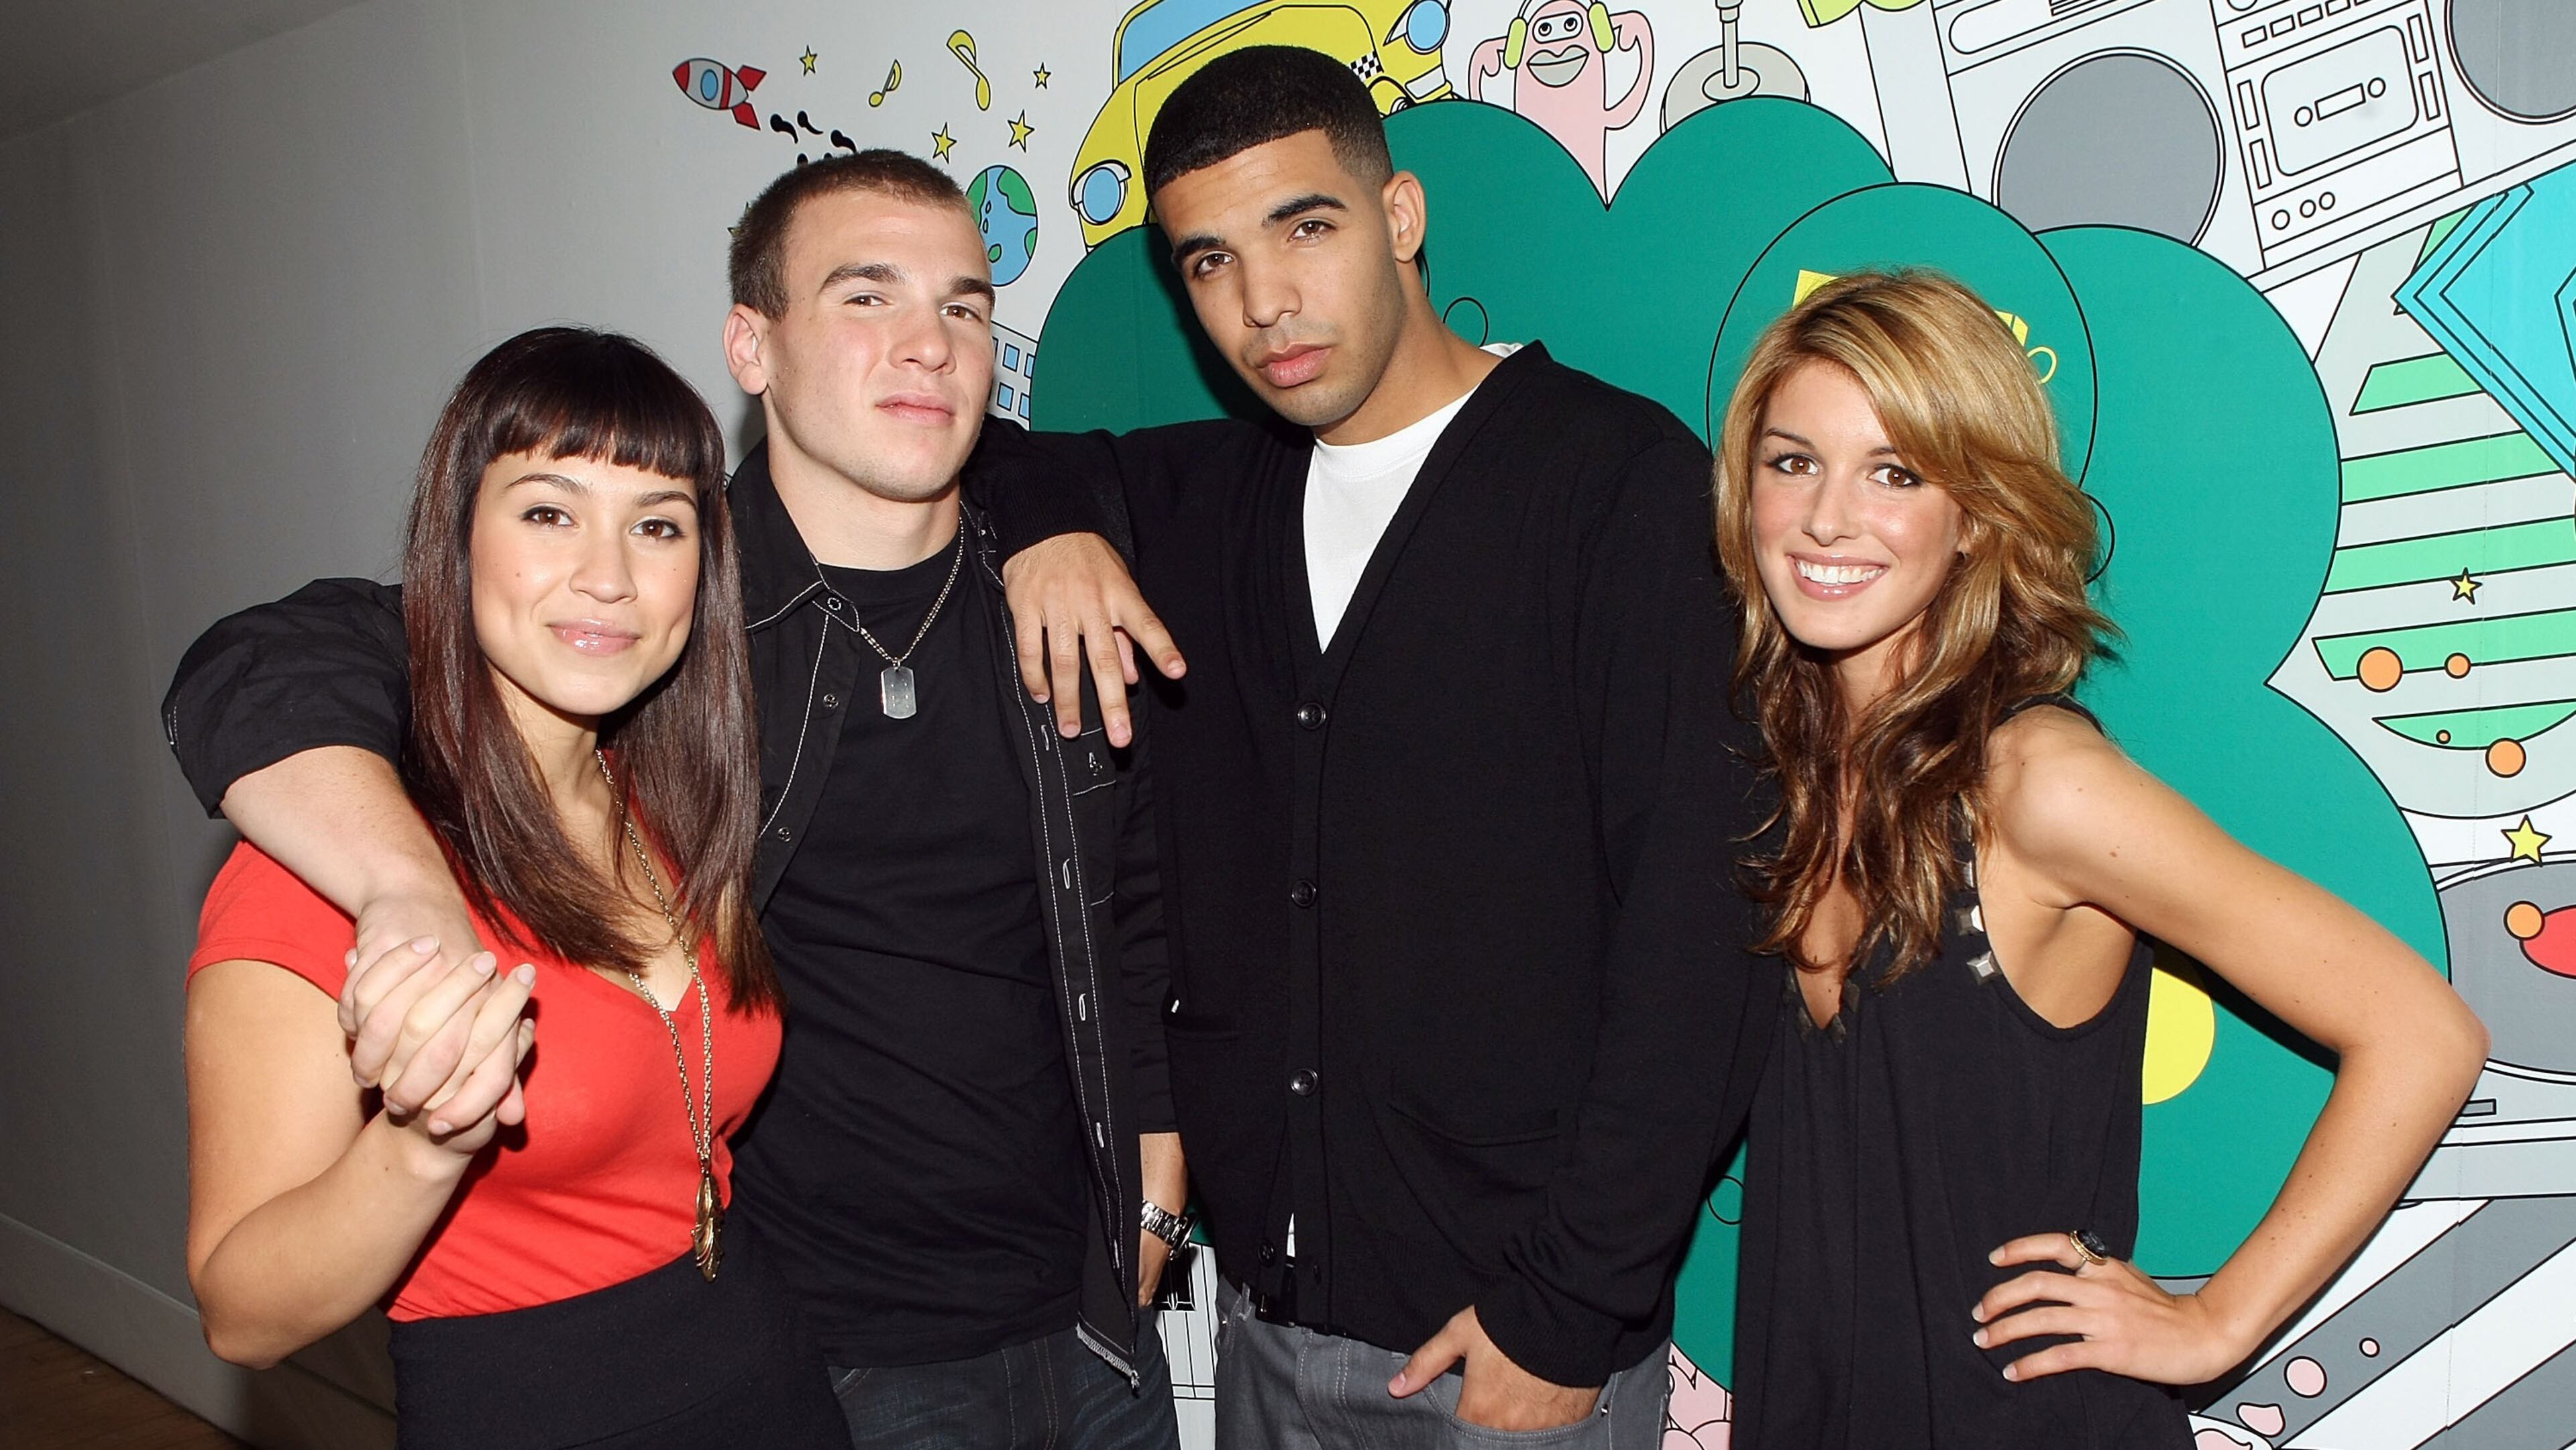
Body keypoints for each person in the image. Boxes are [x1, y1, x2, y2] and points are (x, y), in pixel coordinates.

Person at [163, 152, 1185, 1450]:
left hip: (1078, 1316)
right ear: (751, 345)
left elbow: (1131, 888)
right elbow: (263, 663)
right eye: (867, 297)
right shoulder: (669, 643)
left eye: (965, 308)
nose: (927, 345)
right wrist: (406, 889)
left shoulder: (1052, 592)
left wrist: (1156, 1152)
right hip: (845, 1348)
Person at [971, 47, 1777, 1447]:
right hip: (1268, 1333)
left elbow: (1703, 934)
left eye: (1306, 228)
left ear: (1400, 217)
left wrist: (1572, 1306)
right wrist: (1046, 525)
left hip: (1512, 1352)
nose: (1263, 303)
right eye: (1208, 262)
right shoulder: (1207, 495)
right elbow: (976, 453)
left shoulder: (1616, 486)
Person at [1707, 270, 2489, 1447]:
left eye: (1895, 471)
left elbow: (2423, 1031)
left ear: (1974, 510)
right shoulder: (1769, 766)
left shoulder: (2036, 784)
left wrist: (2217, 1322)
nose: (1826, 517)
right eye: (1792, 460)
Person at [181, 327, 847, 1447]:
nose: (609, 574)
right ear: (459, 542)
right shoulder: (330, 858)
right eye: (548, 511)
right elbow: (240, 1314)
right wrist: (425, 1140)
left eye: (657, 524)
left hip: (766, 1372)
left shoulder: (673, 809)